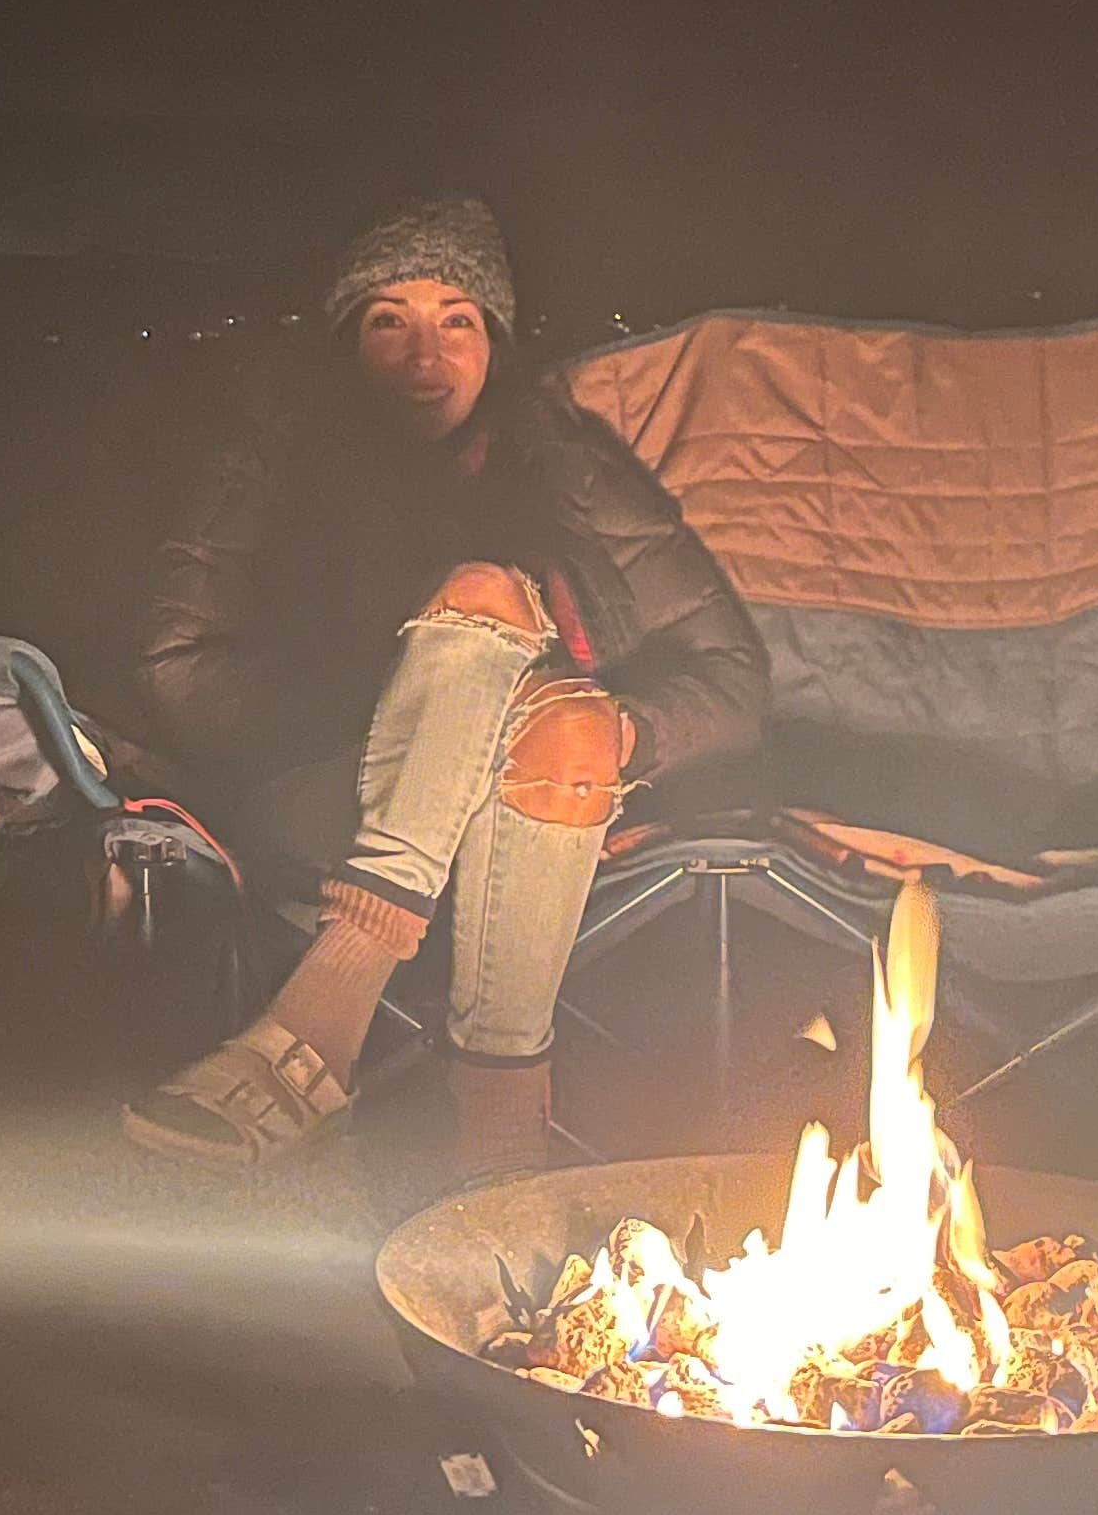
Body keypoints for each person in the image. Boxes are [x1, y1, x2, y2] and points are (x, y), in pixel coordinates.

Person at [121, 197, 765, 1183]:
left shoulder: (571, 471)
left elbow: (731, 680)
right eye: (390, 322)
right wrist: (392, 720)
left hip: (556, 791)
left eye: (456, 320)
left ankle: (323, 1048)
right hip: (331, 790)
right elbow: (178, 662)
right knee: (485, 597)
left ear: (494, 343)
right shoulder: (279, 464)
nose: (426, 356)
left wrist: (624, 729)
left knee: (559, 714)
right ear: (347, 345)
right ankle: (482, 1126)